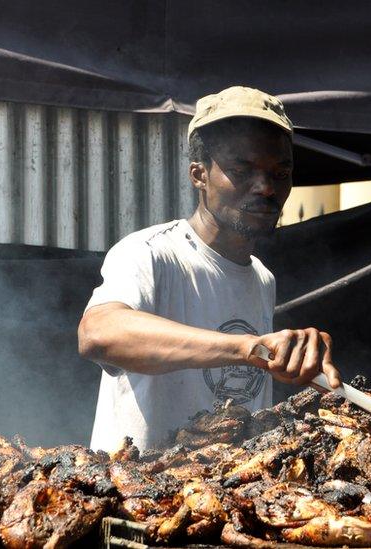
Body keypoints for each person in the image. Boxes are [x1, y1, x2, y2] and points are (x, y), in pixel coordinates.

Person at [78, 86, 342, 453]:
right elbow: (98, 333)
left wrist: (294, 358)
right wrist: (247, 348)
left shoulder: (263, 279)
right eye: (240, 170)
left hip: (219, 501)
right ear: (199, 175)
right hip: (139, 498)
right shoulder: (152, 252)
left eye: (280, 173)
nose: (266, 188)